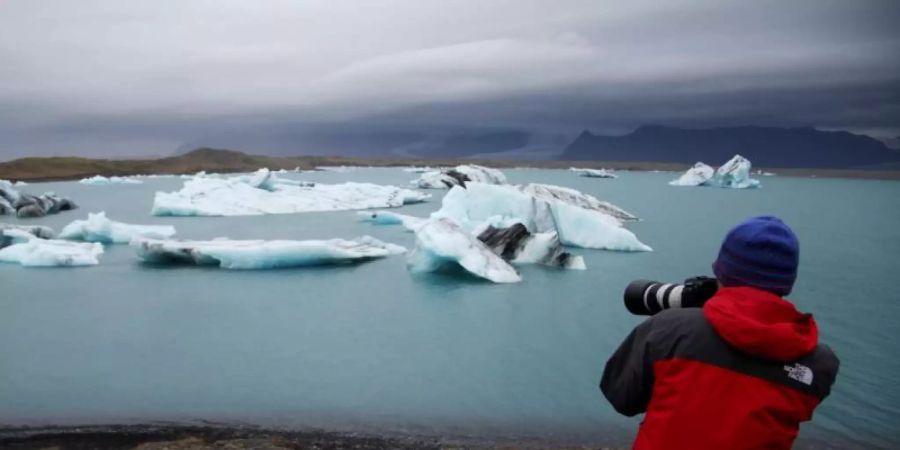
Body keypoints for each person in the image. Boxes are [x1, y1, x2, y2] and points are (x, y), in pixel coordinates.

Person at [600, 216, 839, 450]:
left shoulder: (670, 330)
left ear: (721, 270)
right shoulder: (819, 365)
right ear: (789, 280)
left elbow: (621, 397)